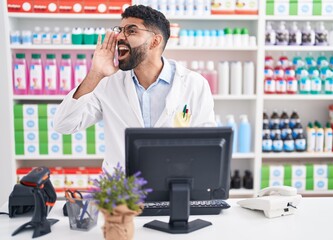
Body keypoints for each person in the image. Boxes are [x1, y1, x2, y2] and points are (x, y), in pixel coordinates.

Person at [53, 5, 216, 172]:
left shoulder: (194, 84)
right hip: (122, 190)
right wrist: (95, 73)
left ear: (155, 41)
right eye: (120, 30)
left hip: (173, 184)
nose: (119, 37)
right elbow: (63, 125)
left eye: (131, 31)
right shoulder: (107, 83)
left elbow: (208, 146)